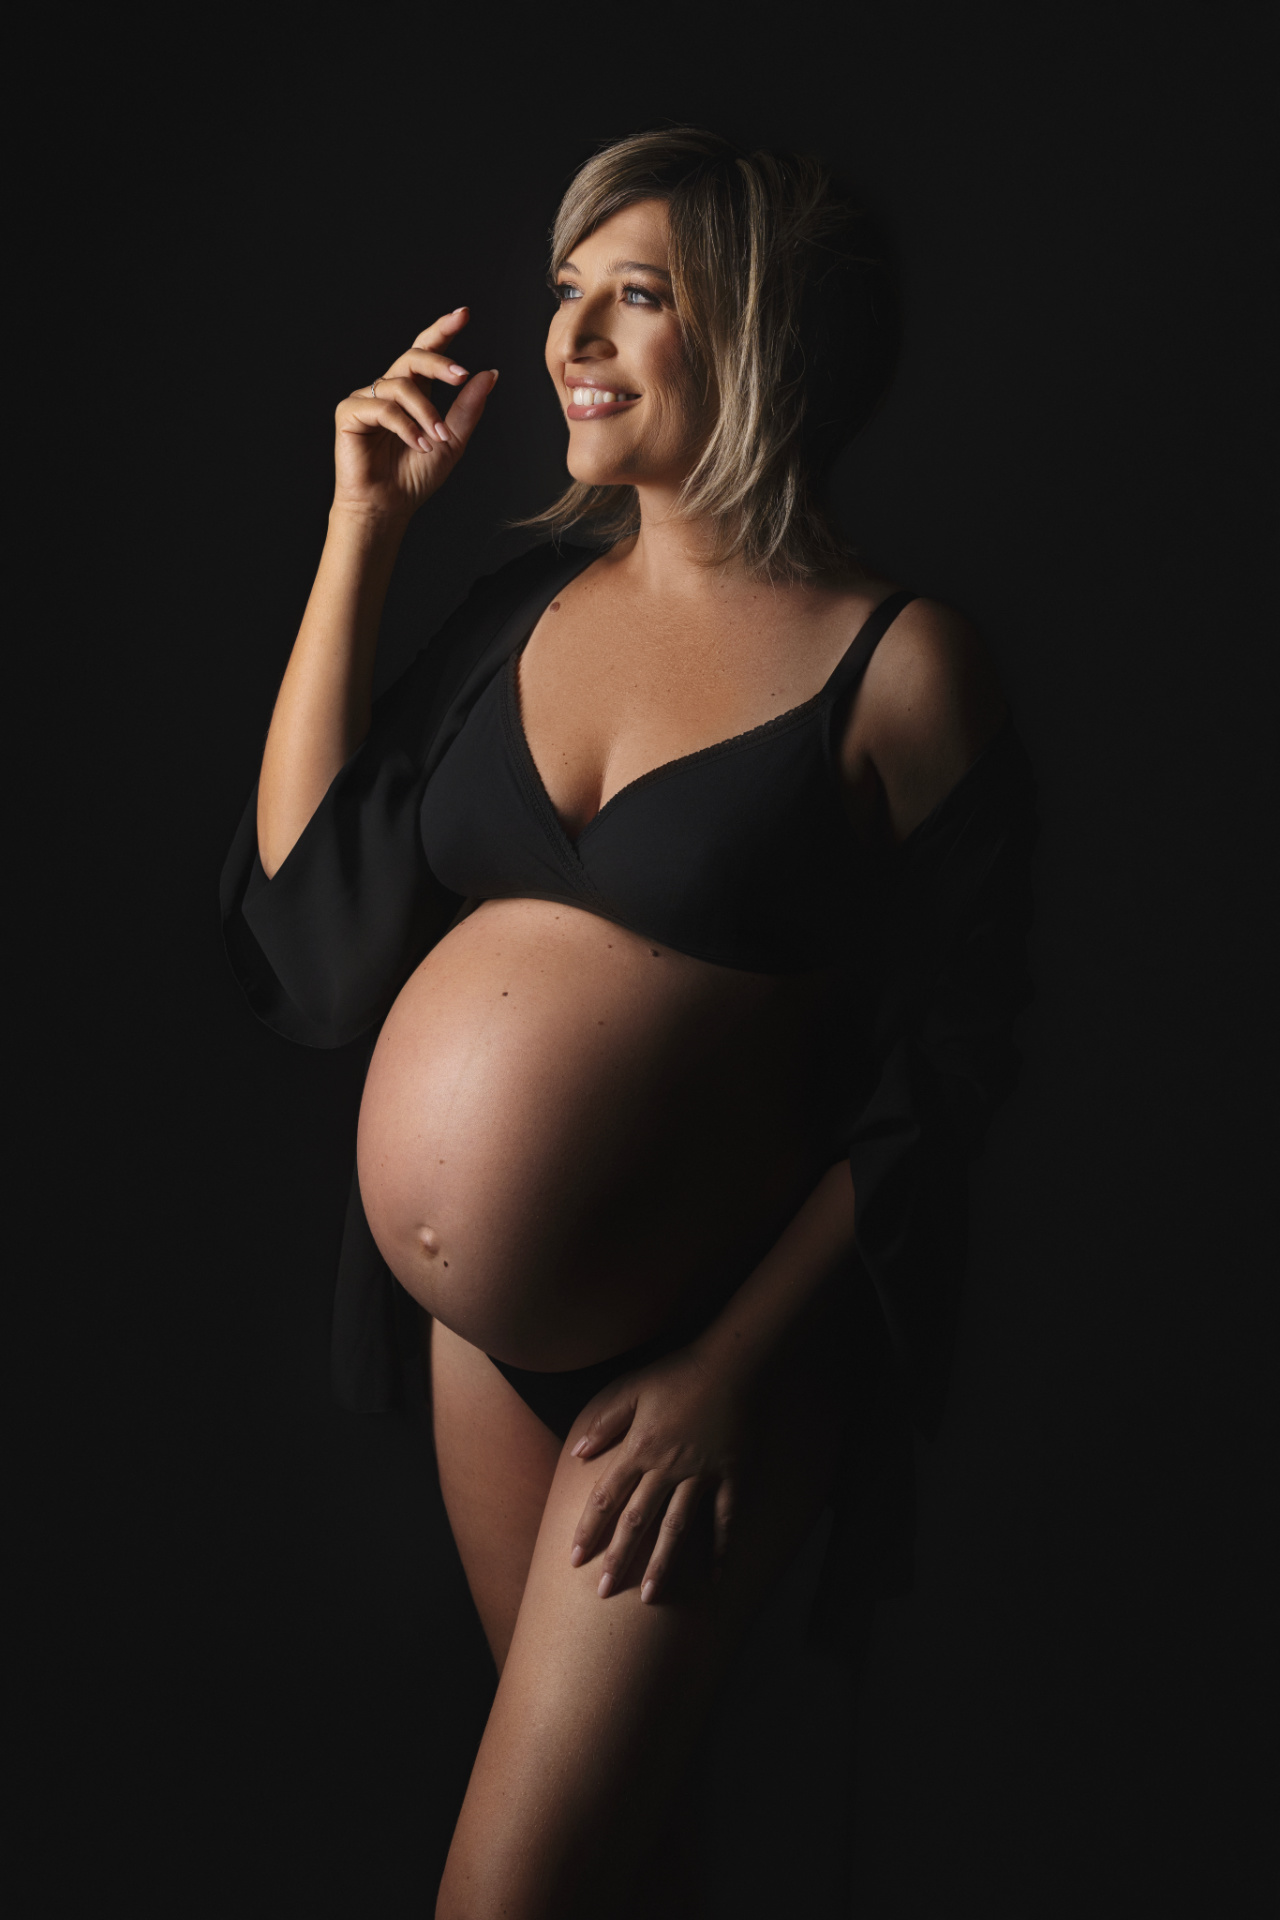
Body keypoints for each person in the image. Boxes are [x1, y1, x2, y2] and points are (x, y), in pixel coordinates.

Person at [220, 126, 1037, 1918]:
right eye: (564, 295)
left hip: (703, 1350)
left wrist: (726, 1379)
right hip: (486, 1357)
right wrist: (360, 536)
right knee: (626, 1870)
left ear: (752, 333)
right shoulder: (528, 611)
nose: (574, 336)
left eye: (636, 295)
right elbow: (319, 934)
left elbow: (954, 1078)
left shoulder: (897, 667)